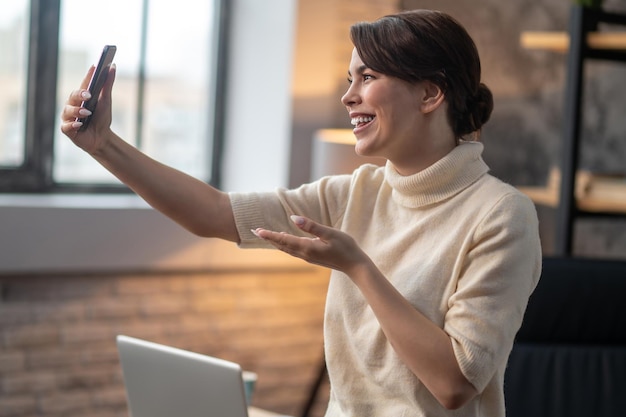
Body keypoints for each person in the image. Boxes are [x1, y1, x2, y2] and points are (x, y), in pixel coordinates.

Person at [61, 9, 541, 417]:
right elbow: (216, 213)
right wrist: (104, 146)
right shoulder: (356, 192)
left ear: (430, 94)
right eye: (349, 78)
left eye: (368, 77)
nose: (348, 96)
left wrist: (358, 267)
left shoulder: (501, 215)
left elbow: (455, 383)